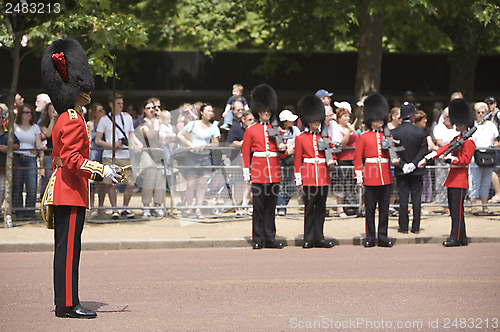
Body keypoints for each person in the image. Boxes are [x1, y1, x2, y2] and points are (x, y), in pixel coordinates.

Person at [41, 38, 124, 319]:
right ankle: (67, 304)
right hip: (71, 190)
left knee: (65, 249)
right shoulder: (74, 119)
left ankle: (63, 301)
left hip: (64, 188)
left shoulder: (64, 116)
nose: (87, 91)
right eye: (83, 88)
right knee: (69, 251)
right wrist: (103, 170)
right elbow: (75, 160)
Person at [418, 99, 475, 247]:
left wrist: (450, 160)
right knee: (456, 211)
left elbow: (465, 161)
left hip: (460, 180)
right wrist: (427, 158)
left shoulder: (468, 142)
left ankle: (455, 238)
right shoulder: (458, 139)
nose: (455, 125)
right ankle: (462, 237)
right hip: (453, 179)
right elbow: (443, 149)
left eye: (457, 123)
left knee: (456, 212)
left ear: (464, 122)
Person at [241, 84, 287, 249]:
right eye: (263, 110)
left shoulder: (278, 131)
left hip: (273, 172)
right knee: (258, 207)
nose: (266, 113)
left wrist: (283, 150)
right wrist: (248, 174)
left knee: (270, 207)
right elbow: (246, 153)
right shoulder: (251, 130)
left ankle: (270, 237)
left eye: (268, 110)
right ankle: (258, 238)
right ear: (258, 111)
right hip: (259, 172)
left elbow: (282, 155)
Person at [354, 94, 398, 248]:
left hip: (385, 175)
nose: (379, 122)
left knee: (384, 209)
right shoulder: (363, 137)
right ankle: (370, 237)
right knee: (370, 209)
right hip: (370, 175)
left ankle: (383, 236)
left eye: (381, 119)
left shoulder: (388, 136)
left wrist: (395, 159)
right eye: (376, 119)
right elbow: (358, 159)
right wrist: (359, 176)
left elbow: (393, 153)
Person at [294, 95, 336, 248]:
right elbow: (297, 160)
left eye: (318, 120)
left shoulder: (325, 137)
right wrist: (298, 178)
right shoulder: (301, 138)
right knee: (309, 208)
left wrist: (332, 159)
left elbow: (333, 153)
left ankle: (319, 237)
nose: (316, 123)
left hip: (323, 176)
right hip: (309, 176)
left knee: (321, 208)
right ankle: (308, 237)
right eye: (314, 121)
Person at [95, 94, 142, 219]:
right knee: (112, 183)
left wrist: (136, 145)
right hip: (110, 155)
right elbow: (98, 140)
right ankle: (114, 208)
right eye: (119, 103)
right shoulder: (104, 120)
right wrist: (112, 145)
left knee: (130, 183)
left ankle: (125, 207)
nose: (121, 106)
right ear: (111, 104)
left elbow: (131, 134)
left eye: (122, 103)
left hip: (125, 154)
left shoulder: (127, 118)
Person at [177, 103, 220, 219]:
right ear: (201, 112)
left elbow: (216, 143)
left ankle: (198, 209)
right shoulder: (193, 124)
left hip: (205, 157)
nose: (210, 113)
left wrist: (206, 145)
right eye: (208, 111)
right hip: (192, 156)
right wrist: (190, 144)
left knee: (202, 185)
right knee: (190, 184)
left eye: (212, 111)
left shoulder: (213, 127)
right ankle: (189, 208)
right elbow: (180, 135)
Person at [391, 102, 428, 234]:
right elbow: (424, 149)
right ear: (412, 116)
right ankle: (416, 226)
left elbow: (393, 151)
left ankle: (403, 226)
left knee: (403, 199)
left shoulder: (394, 132)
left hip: (402, 170)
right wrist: (414, 163)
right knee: (416, 199)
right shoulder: (420, 131)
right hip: (417, 169)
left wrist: (403, 164)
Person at [13, 104, 44, 218]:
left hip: (31, 158)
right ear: (21, 114)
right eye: (26, 112)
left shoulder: (35, 127)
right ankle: (19, 211)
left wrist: (42, 147)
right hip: (17, 157)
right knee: (17, 185)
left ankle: (30, 211)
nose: (29, 115)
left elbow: (38, 144)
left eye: (30, 113)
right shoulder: (14, 126)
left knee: (32, 186)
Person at [468, 102, 499, 215]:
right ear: (475, 113)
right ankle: (474, 206)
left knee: (486, 182)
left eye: (483, 112)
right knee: (474, 182)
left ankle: (485, 206)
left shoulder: (491, 125)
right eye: (478, 112)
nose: (481, 114)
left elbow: (496, 139)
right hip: (475, 157)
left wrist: (497, 144)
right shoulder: (472, 125)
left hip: (489, 156)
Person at [137, 98, 166, 218]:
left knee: (160, 182)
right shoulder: (142, 123)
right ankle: (146, 207)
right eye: (148, 108)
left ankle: (157, 206)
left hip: (159, 154)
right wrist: (154, 122)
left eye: (152, 108)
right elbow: (150, 135)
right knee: (149, 181)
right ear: (144, 110)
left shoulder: (159, 121)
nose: (151, 110)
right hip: (147, 153)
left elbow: (165, 135)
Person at [227, 104, 253, 215]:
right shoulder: (236, 127)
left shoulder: (254, 129)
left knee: (250, 182)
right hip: (238, 159)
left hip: (252, 159)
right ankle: (239, 207)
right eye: (250, 119)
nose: (252, 121)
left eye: (253, 119)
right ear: (243, 119)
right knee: (238, 183)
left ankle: (246, 204)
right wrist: (242, 143)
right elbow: (230, 142)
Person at [433, 108, 459, 214]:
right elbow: (439, 142)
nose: (450, 119)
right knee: (442, 181)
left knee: (454, 180)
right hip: (443, 157)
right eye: (448, 116)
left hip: (455, 157)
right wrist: (450, 149)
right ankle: (444, 205)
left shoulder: (457, 127)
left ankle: (453, 203)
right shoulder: (439, 127)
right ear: (444, 117)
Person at [333, 109, 358, 218]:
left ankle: (351, 206)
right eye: (345, 117)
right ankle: (340, 208)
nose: (347, 119)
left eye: (348, 116)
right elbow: (342, 143)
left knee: (352, 184)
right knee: (341, 184)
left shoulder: (352, 128)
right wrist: (348, 131)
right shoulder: (337, 129)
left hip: (353, 158)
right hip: (343, 159)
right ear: (339, 118)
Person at [276, 109, 300, 216]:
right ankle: (281, 206)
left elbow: (300, 140)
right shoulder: (276, 130)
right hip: (279, 161)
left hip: (291, 161)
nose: (292, 122)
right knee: (280, 185)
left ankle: (283, 203)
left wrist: (292, 146)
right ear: (284, 121)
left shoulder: (295, 130)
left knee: (292, 184)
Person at [87, 103, 107, 217]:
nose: (103, 112)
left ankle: (101, 207)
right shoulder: (91, 124)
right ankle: (92, 208)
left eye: (103, 110)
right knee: (92, 182)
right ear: (94, 113)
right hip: (94, 154)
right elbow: (89, 139)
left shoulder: (107, 123)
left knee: (102, 183)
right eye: (100, 110)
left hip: (104, 153)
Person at [414, 110, 436, 204]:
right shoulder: (413, 131)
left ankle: (422, 204)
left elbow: (430, 145)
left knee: (425, 184)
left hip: (424, 162)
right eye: (423, 119)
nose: (426, 121)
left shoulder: (426, 131)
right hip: (414, 162)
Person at [0, 116, 20, 212]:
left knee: (2, 190)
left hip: (3, 168)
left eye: (1, 117)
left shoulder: (8, 132)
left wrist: (7, 148)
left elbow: (17, 144)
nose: (0, 119)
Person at [39, 103, 58, 198]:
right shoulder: (44, 124)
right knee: (48, 178)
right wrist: (52, 120)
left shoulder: (61, 122)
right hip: (49, 154)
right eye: (51, 110)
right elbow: (48, 134)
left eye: (55, 109)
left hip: (59, 154)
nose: (54, 112)